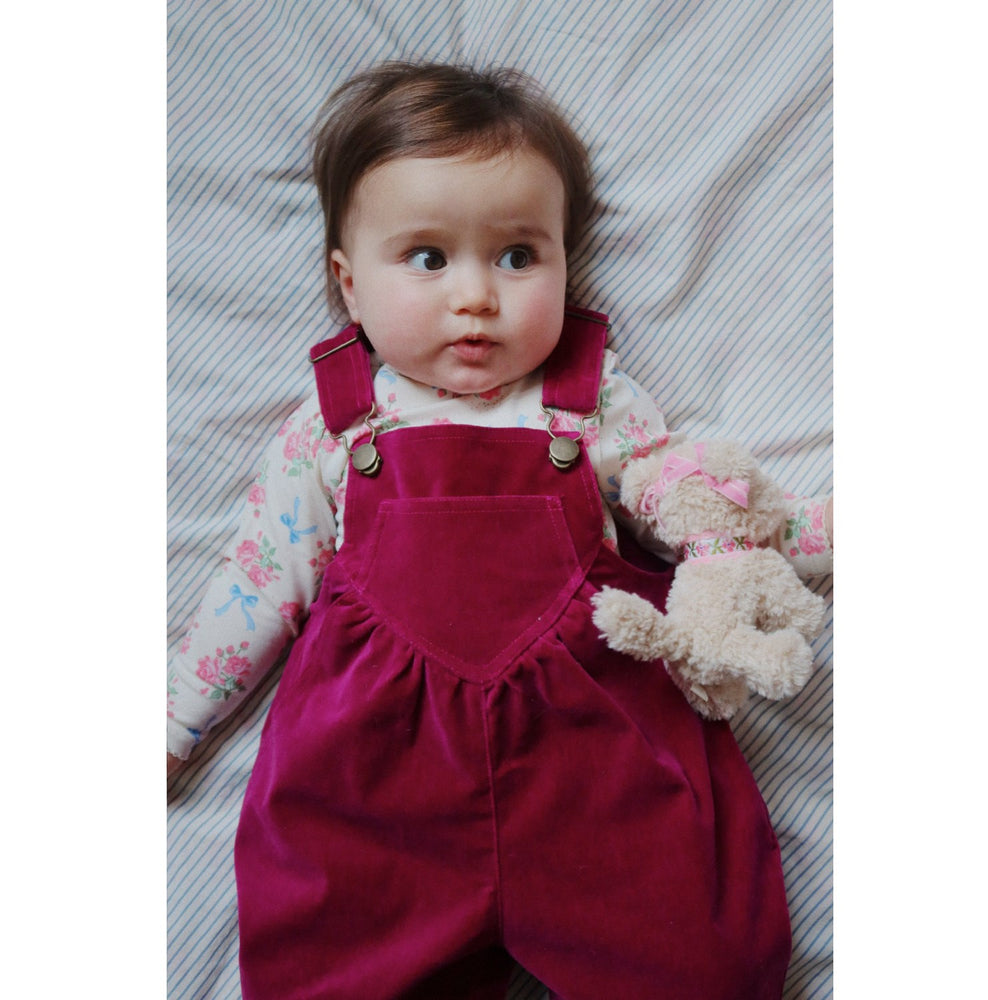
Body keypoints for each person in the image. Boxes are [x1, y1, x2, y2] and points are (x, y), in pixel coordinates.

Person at [167, 60, 832, 1000]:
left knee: (701, 959)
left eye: (518, 256)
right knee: (328, 961)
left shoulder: (592, 406)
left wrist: (812, 534)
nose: (476, 294)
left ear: (566, 262)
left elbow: (702, 509)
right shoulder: (334, 430)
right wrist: (174, 723)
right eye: (427, 258)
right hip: (374, 777)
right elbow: (258, 583)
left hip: (596, 760)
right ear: (349, 286)